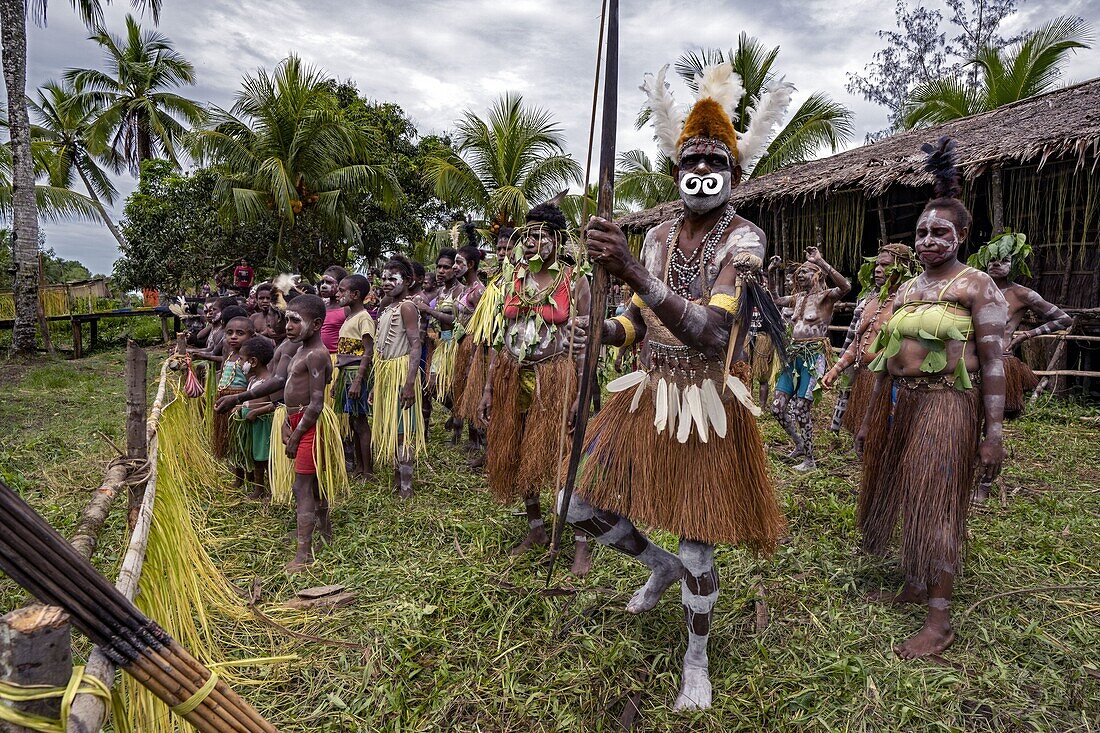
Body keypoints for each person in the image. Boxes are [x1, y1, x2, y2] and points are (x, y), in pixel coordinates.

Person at [565, 63, 790, 709]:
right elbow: (638, 321)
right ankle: (653, 565)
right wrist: (601, 330)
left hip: (708, 403)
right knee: (577, 506)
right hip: (648, 392)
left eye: (714, 163)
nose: (701, 172)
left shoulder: (746, 238)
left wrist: (627, 265)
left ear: (734, 174)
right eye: (691, 160)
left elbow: (714, 333)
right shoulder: (659, 235)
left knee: (698, 546)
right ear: (675, 171)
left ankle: (697, 659)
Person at [855, 137, 1007, 659]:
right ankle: (916, 585)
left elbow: (992, 363)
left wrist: (994, 433)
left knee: (938, 502)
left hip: (947, 405)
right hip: (905, 405)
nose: (928, 240)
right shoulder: (906, 289)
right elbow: (884, 355)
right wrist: (873, 415)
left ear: (963, 235)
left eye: (940, 232)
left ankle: (939, 620)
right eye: (921, 232)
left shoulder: (977, 285)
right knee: (911, 496)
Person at [478, 200, 593, 574]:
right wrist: (489, 388)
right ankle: (536, 528)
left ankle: (580, 542)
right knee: (515, 451)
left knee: (564, 458)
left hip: (555, 378)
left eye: (540, 236)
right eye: (527, 235)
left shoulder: (575, 281)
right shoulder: (513, 277)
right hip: (513, 376)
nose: (531, 243)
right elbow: (498, 336)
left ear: (557, 240)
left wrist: (580, 393)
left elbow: (585, 344)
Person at [217, 294, 346, 572]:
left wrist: (297, 433)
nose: (288, 325)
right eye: (287, 319)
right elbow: (277, 380)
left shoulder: (317, 355)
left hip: (309, 424)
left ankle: (303, 555)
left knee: (302, 487)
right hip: (296, 419)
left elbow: (316, 404)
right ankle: (321, 533)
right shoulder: (296, 349)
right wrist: (237, 399)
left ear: (316, 325)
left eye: (295, 320)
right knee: (312, 484)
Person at [969, 231, 1072, 419]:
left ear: (1014, 265)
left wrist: (1027, 335)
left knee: (994, 417)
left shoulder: (1021, 294)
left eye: (1004, 260)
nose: (996, 264)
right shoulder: (974, 290)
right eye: (991, 260)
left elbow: (1063, 319)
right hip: (969, 360)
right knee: (968, 414)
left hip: (1000, 360)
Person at [822, 244, 915, 436]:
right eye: (877, 265)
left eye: (885, 265)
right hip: (863, 377)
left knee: (881, 438)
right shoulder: (869, 301)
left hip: (888, 382)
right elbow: (857, 341)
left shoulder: (910, 303)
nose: (878, 270)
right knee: (861, 437)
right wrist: (836, 369)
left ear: (903, 266)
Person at [771, 247, 850, 471]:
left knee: (801, 409)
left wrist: (820, 260)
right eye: (800, 272)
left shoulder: (826, 297)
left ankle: (810, 460)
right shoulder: (797, 298)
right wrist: (771, 273)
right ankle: (799, 444)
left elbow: (846, 287)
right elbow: (776, 299)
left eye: (806, 271)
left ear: (817, 274)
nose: (800, 275)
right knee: (777, 408)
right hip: (793, 355)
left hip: (813, 357)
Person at [456, 228, 513, 470]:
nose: (501, 253)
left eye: (507, 248)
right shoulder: (498, 279)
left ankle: (499, 455)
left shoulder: (517, 281)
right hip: (488, 348)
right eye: (499, 249)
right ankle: (489, 453)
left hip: (506, 350)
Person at [372, 256, 425, 498]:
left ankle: (406, 487)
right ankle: (397, 478)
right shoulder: (386, 308)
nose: (386, 282)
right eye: (383, 278)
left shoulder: (407, 307)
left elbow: (416, 345)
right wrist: (376, 384)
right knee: (391, 427)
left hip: (400, 372)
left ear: (407, 281)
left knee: (403, 430)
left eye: (392, 278)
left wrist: (410, 383)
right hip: (385, 373)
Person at [333, 274, 376, 479]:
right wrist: (337, 381)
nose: (338, 294)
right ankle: (360, 466)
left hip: (355, 375)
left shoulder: (364, 318)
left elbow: (368, 352)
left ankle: (367, 469)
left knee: (360, 422)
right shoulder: (350, 317)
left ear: (356, 294)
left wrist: (358, 380)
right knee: (353, 421)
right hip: (346, 375)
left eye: (342, 290)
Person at [448, 245, 486, 451]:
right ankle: (472, 440)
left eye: (459, 262)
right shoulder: (467, 289)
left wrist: (475, 354)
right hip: (463, 344)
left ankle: (478, 441)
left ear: (471, 265)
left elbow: (483, 325)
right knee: (464, 390)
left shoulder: (479, 291)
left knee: (474, 390)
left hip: (473, 344)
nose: (455, 266)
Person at [233, 336, 277, 501]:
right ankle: (259, 489)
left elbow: (276, 404)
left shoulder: (269, 381)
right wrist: (241, 408)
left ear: (253, 361)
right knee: (256, 458)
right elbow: (249, 401)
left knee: (266, 458)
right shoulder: (253, 380)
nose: (240, 363)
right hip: (252, 425)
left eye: (242, 359)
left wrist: (256, 412)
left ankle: (273, 490)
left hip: (263, 425)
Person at [213, 312, 255, 467]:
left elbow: (252, 384)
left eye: (240, 333)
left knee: (241, 440)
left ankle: (246, 474)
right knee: (229, 439)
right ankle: (236, 472)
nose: (233, 337)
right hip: (224, 400)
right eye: (229, 333)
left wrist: (242, 403)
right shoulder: (230, 354)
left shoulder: (250, 360)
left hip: (238, 404)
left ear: (251, 336)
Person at [318, 266, 349, 354]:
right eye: (322, 282)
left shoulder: (346, 309)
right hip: (321, 357)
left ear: (341, 285)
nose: (323, 286)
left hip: (338, 359)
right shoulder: (321, 306)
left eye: (328, 282)